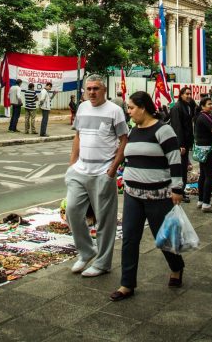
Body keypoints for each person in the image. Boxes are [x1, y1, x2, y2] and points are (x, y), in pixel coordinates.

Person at [110, 91, 184, 301]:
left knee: (164, 238)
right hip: (133, 195)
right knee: (129, 239)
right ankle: (127, 284)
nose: (129, 112)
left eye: (131, 108)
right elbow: (129, 158)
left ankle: (177, 267)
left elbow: (175, 159)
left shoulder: (163, 130)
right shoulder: (133, 130)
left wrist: (177, 189)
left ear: (143, 107)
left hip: (158, 196)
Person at [65, 74, 129, 277]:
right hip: (80, 171)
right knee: (72, 212)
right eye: (89, 88)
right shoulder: (82, 108)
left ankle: (102, 263)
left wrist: (112, 170)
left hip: (103, 172)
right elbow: (78, 136)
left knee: (105, 220)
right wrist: (72, 164)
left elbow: (124, 140)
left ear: (104, 90)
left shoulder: (115, 111)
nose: (92, 92)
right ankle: (86, 251)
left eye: (96, 89)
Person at [195, 97, 212, 213]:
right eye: (209, 104)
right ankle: (206, 203)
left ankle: (201, 201)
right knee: (210, 176)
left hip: (202, 149)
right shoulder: (204, 117)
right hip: (208, 150)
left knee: (203, 175)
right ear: (202, 106)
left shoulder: (202, 116)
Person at [170, 86, 195, 203]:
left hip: (186, 143)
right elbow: (177, 127)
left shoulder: (188, 106)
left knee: (184, 169)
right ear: (181, 95)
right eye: (187, 94)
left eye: (190, 94)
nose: (189, 96)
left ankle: (182, 190)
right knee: (180, 170)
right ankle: (179, 191)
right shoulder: (177, 108)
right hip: (181, 145)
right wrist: (181, 145)